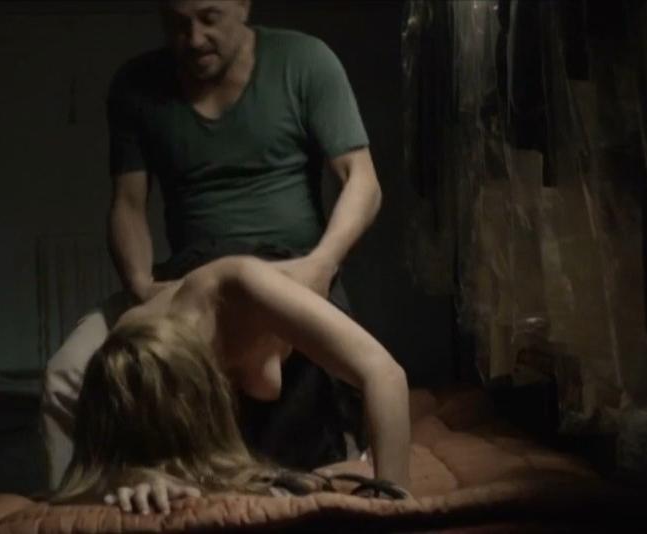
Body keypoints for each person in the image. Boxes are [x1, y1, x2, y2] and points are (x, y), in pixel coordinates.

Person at [41, 0, 384, 487]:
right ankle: (89, 506)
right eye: (178, 24)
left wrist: (322, 266)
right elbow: (128, 204)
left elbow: (363, 182)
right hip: (190, 278)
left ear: (242, 5)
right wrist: (141, 286)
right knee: (68, 375)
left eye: (209, 18)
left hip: (291, 274)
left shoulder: (305, 61)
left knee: (314, 414)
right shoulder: (135, 85)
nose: (195, 38)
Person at [51, 256, 411, 514]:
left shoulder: (241, 288)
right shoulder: (130, 356)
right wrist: (136, 480)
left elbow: (385, 374)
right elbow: (95, 466)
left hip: (295, 339)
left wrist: (394, 513)